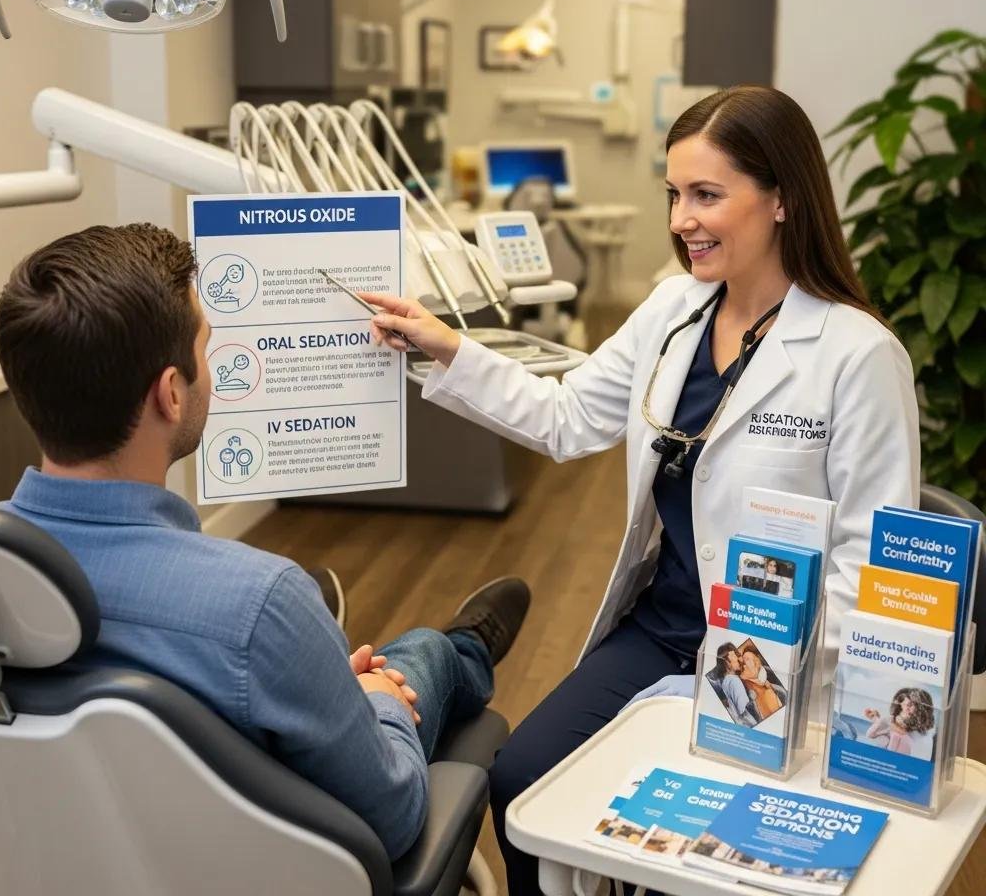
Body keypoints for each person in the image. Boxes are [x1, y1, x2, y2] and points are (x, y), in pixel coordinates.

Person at [360, 85, 920, 893]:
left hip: (782, 666)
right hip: (663, 629)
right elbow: (566, 418)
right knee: (523, 777)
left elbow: (871, 570)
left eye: (706, 195)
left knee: (681, 843)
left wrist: (755, 679)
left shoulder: (857, 358)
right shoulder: (673, 312)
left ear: (782, 202)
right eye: (673, 195)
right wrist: (449, 349)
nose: (680, 219)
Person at [0, 223, 531, 862]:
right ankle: (464, 648)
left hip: (53, 854)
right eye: (206, 349)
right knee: (417, 658)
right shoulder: (257, 601)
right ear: (170, 392)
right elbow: (396, 816)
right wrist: (379, 705)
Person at [864, 687, 936, 758]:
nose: (907, 709)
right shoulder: (891, 721)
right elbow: (871, 734)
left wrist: (889, 726)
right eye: (904, 705)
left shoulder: (922, 739)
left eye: (912, 705)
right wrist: (877, 720)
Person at [709, 642, 755, 727]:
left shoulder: (726, 681)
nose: (740, 660)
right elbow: (743, 712)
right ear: (726, 662)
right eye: (736, 657)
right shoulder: (734, 681)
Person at [739, 648, 783, 721]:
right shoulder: (741, 685)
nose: (743, 663)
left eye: (747, 659)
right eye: (744, 660)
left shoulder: (769, 692)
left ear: (758, 663)